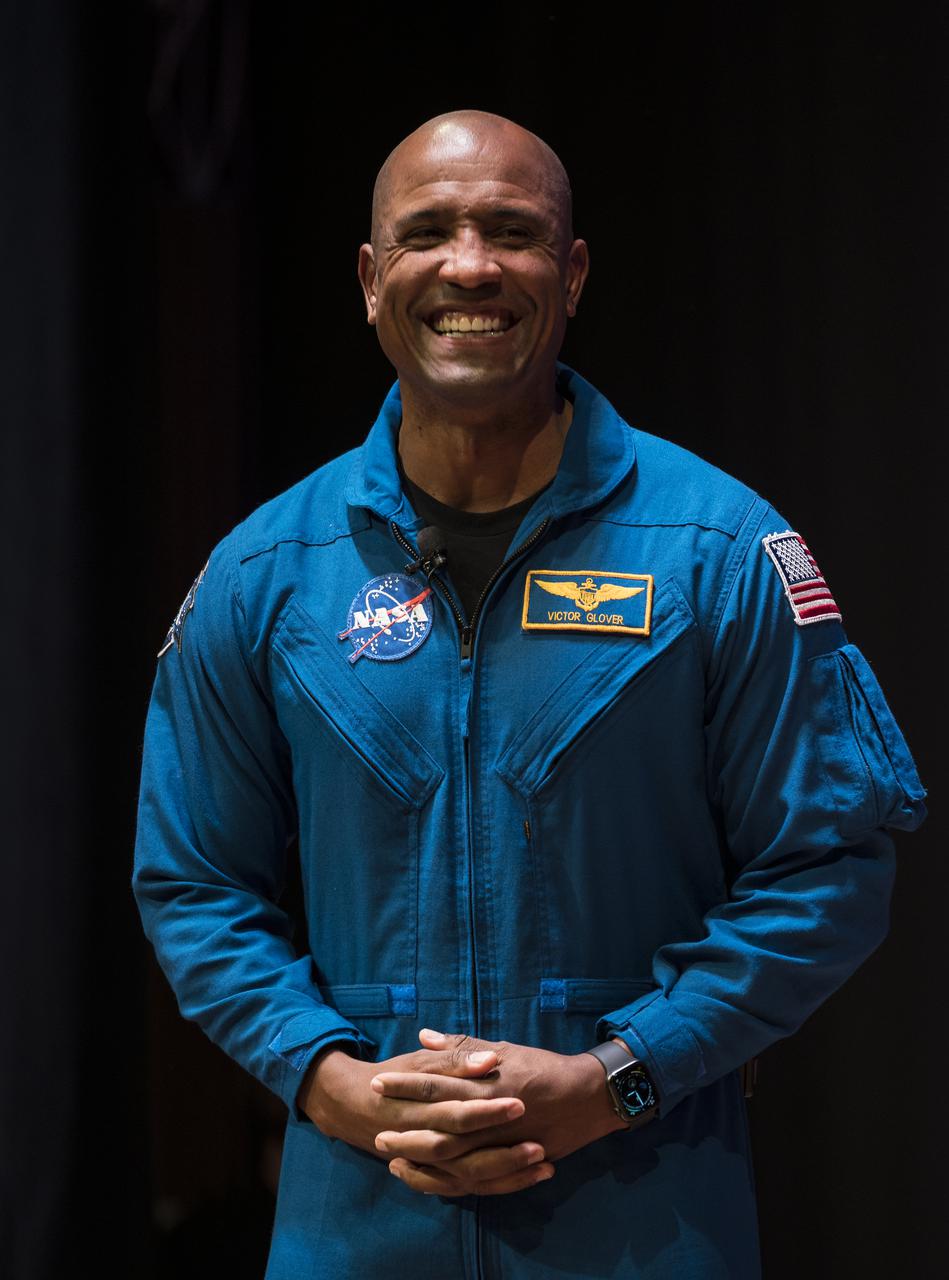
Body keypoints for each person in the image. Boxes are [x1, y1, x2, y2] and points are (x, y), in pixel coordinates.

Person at [132, 109, 927, 1279]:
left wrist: (618, 1077)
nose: (469, 265)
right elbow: (194, 880)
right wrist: (329, 1080)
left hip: (642, 1225)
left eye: (512, 231)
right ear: (369, 279)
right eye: (428, 233)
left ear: (572, 273)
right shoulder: (266, 573)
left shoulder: (714, 549)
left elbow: (831, 866)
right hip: (356, 1225)